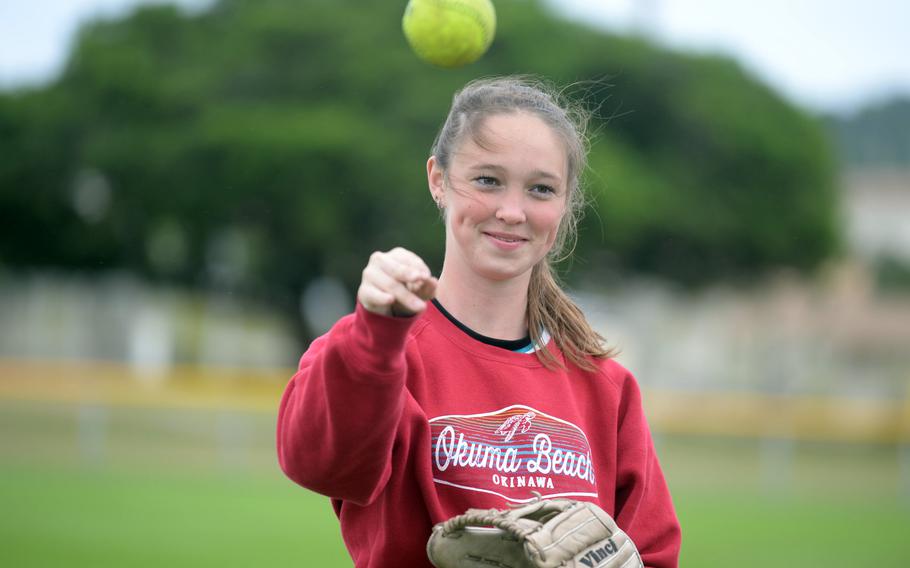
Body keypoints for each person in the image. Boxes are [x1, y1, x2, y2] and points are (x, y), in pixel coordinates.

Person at [276, 76, 681, 567]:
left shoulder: (605, 386)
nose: (512, 211)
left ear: (565, 204)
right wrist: (375, 337)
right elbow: (321, 465)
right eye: (488, 180)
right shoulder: (381, 351)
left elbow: (655, 551)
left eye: (540, 189)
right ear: (438, 179)